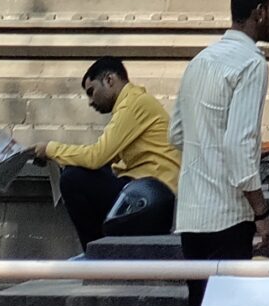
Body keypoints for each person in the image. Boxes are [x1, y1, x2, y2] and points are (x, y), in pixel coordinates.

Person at [160, 0, 269, 306]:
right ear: (258, 12)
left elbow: (178, 133)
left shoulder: (201, 61)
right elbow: (236, 145)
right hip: (227, 216)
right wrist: (262, 211)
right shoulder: (252, 64)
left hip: (192, 212)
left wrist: (232, 154)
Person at [29, 57, 178, 249]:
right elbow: (105, 158)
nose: (91, 102)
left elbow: (96, 156)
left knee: (73, 179)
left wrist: (49, 149)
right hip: (145, 190)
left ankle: (95, 253)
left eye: (91, 92)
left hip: (152, 196)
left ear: (109, 80)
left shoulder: (133, 104)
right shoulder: (133, 103)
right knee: (78, 172)